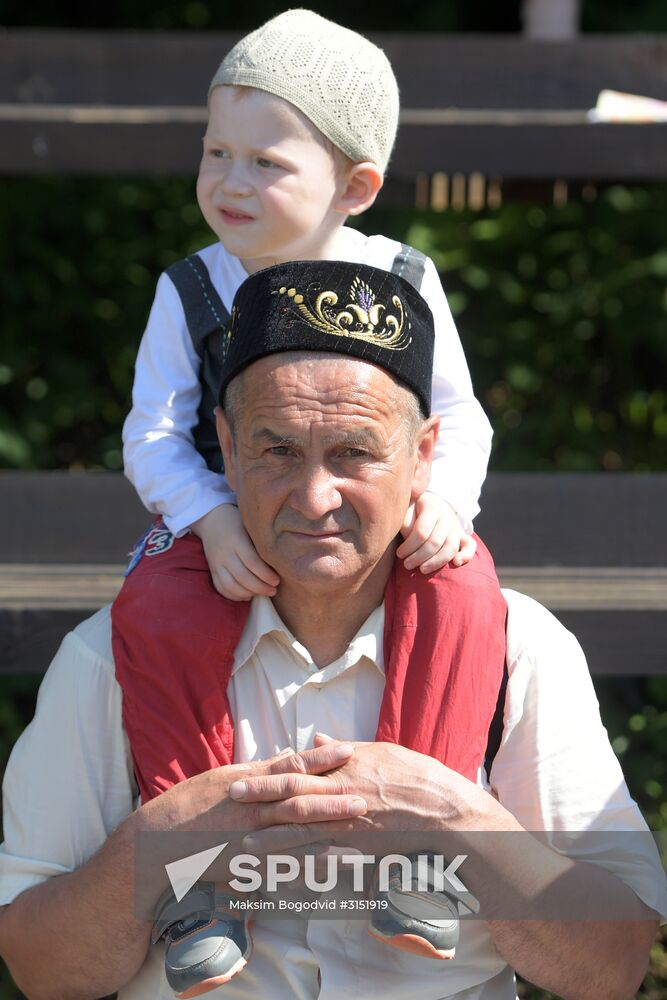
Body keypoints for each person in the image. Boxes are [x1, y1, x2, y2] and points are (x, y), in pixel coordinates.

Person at [0, 260, 664, 1000]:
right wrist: (166, 842)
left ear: (422, 455)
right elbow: (41, 971)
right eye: (277, 450)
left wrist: (455, 820)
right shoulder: (107, 659)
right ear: (222, 443)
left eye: (352, 453)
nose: (315, 499)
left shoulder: (521, 649)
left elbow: (613, 966)